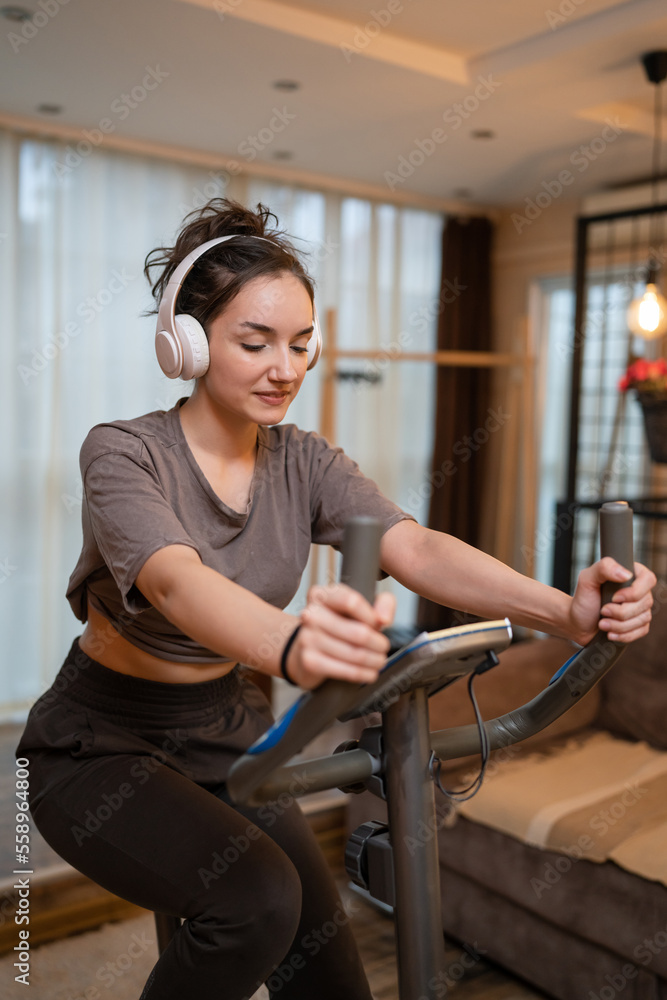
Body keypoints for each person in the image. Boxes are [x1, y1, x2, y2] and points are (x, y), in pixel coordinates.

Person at [16, 199, 655, 1000]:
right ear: (185, 344)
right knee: (256, 902)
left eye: (300, 343)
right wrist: (292, 646)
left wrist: (566, 611)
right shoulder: (123, 452)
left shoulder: (305, 462)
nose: (285, 367)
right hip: (100, 739)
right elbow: (177, 581)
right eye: (254, 343)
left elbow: (413, 546)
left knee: (327, 968)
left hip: (227, 731)